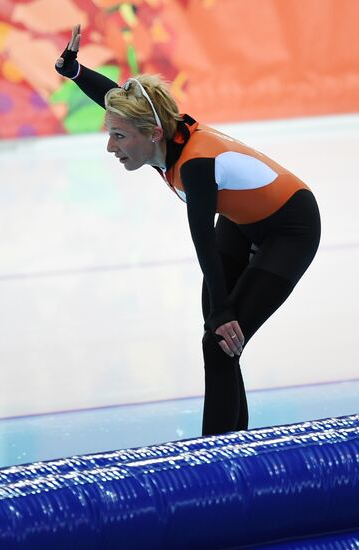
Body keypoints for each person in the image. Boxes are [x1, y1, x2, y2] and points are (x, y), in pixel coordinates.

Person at [55, 25, 321, 436]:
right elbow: (121, 103)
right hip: (241, 223)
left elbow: (202, 242)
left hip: (290, 227)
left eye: (119, 137)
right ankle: (235, 444)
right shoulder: (159, 131)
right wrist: (75, 72)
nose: (112, 147)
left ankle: (215, 458)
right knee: (220, 343)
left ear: (153, 134)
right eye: (111, 134)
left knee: (219, 340)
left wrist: (222, 310)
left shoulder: (196, 164)